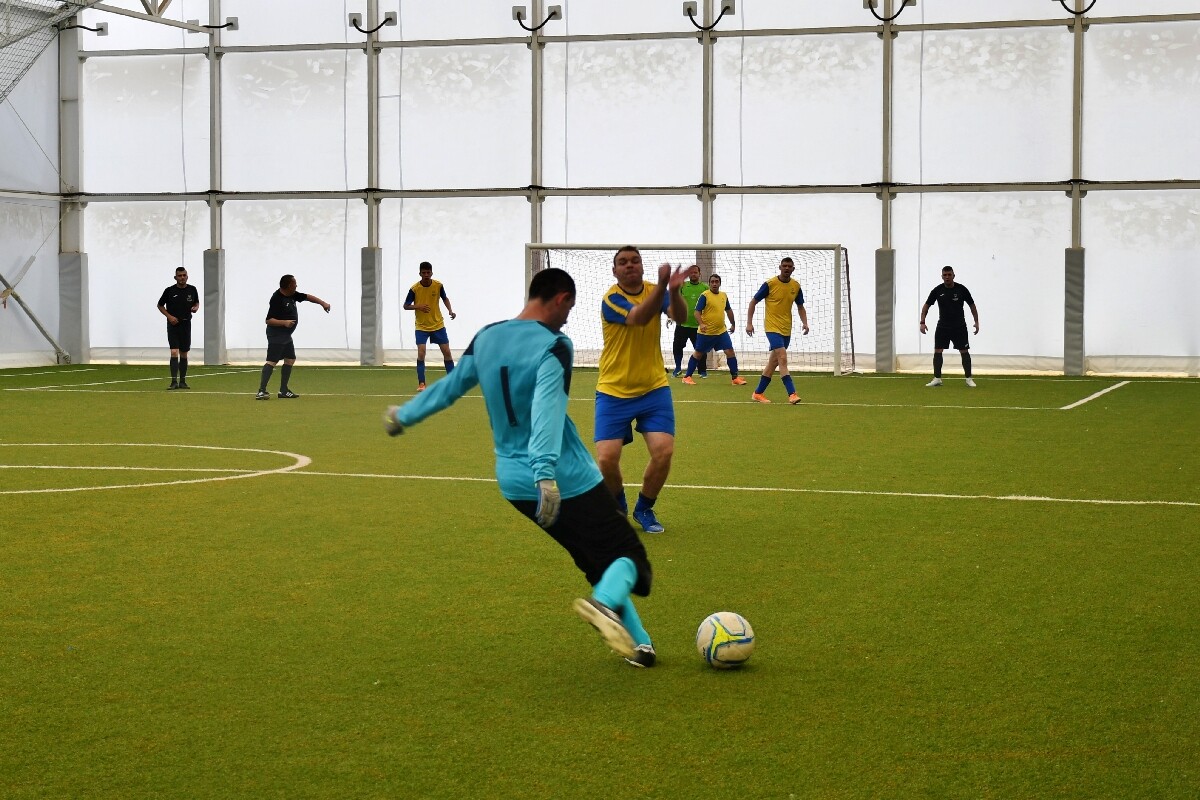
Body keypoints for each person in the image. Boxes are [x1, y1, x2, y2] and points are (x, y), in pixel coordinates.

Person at [383, 267, 658, 668]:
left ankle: (640, 645)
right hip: (565, 478)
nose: (567, 319)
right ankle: (604, 604)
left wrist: (404, 415)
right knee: (631, 559)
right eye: (569, 309)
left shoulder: (487, 336)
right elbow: (547, 408)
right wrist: (545, 472)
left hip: (514, 484)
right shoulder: (555, 345)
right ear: (561, 299)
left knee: (595, 558)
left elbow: (450, 387)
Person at [596, 246, 688, 534]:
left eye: (635, 260)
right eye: (623, 262)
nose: (629, 265)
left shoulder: (654, 290)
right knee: (606, 459)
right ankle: (618, 506)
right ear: (614, 271)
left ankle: (644, 508)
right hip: (613, 390)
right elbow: (638, 317)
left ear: (642, 266)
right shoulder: (611, 299)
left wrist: (673, 292)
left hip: (653, 389)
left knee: (664, 452)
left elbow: (681, 316)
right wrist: (662, 287)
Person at [255, 274, 331, 400]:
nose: (296, 285)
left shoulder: (292, 294)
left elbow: (307, 297)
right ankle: (261, 391)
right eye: (295, 283)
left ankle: (283, 390)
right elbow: (268, 320)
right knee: (272, 361)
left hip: (286, 335)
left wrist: (323, 303)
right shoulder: (276, 298)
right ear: (289, 285)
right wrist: (284, 323)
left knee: (290, 359)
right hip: (276, 335)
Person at [745, 256, 809, 404]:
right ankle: (792, 394)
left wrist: (805, 323)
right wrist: (749, 323)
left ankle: (758, 393)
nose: (787, 268)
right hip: (772, 327)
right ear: (780, 267)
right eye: (784, 266)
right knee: (782, 357)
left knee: (773, 363)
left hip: (786, 328)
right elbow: (753, 302)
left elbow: (800, 306)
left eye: (789, 266)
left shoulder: (796, 286)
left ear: (793, 269)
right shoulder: (770, 284)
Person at [680, 273, 745, 386]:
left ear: (720, 283)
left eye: (716, 282)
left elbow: (728, 310)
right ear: (709, 284)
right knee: (698, 353)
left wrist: (733, 324)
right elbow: (697, 312)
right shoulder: (705, 295)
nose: (714, 284)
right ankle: (687, 377)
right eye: (712, 282)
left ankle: (735, 378)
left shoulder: (724, 295)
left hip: (721, 332)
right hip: (706, 333)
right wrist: (701, 324)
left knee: (730, 351)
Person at [920, 265, 980, 387]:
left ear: (953, 276)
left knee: (964, 351)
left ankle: (969, 379)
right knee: (938, 350)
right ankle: (937, 378)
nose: (947, 277)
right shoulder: (937, 290)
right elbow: (926, 306)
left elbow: (972, 305)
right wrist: (922, 322)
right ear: (942, 276)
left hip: (959, 326)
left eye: (949, 275)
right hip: (943, 326)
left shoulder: (962, 289)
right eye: (945, 275)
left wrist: (976, 321)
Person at [404, 261, 457, 392]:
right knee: (421, 353)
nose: (426, 275)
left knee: (447, 352)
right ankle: (422, 383)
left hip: (438, 324)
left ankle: (453, 381)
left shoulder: (438, 285)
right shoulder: (414, 289)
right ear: (420, 274)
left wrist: (450, 311)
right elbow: (406, 306)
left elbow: (445, 298)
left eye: (428, 272)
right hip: (421, 327)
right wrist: (418, 306)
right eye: (424, 273)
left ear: (432, 273)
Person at [157, 266, 199, 390]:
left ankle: (183, 381)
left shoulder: (192, 289)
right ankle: (173, 381)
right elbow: (160, 305)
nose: (182, 278)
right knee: (174, 351)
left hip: (186, 324)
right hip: (173, 325)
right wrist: (169, 317)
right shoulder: (169, 290)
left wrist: (196, 307)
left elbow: (196, 302)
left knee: (184, 353)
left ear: (187, 276)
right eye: (179, 276)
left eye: (184, 275)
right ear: (175, 277)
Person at [667, 264, 708, 378]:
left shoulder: (705, 288)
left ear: (699, 274)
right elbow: (674, 301)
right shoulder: (682, 286)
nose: (693, 274)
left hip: (698, 325)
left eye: (695, 272)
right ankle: (678, 368)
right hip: (682, 324)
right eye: (691, 272)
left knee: (701, 349)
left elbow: (709, 305)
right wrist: (670, 316)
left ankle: (702, 371)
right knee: (677, 347)